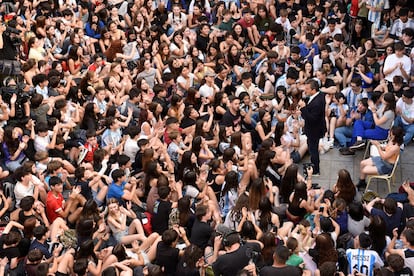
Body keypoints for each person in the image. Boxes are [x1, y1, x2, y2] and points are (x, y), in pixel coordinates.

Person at [298, 79, 326, 175]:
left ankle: (316, 169)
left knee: (313, 149)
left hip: (314, 130)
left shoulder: (317, 102)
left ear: (313, 90)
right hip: (315, 128)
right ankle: (314, 164)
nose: (305, 90)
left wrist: (303, 108)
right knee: (311, 147)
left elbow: (311, 118)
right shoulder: (320, 95)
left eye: (307, 89)